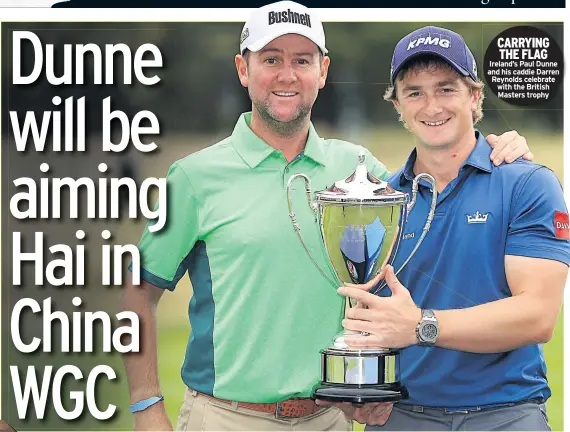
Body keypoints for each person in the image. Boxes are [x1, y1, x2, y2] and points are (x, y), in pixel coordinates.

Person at [121, 6, 534, 431]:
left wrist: (496, 147)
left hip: (333, 418)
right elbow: (138, 291)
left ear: (323, 71)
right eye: (271, 59)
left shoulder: (360, 168)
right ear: (243, 69)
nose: (287, 75)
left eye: (302, 60)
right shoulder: (192, 177)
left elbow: (435, 192)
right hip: (226, 416)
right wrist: (146, 405)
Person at [336, 26, 569, 431]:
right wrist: (361, 390)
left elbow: (538, 316)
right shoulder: (379, 201)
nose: (431, 106)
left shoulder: (528, 184)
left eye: (446, 88)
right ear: (398, 105)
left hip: (506, 413)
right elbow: (369, 316)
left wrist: (421, 326)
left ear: (474, 95)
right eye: (414, 92)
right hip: (402, 416)